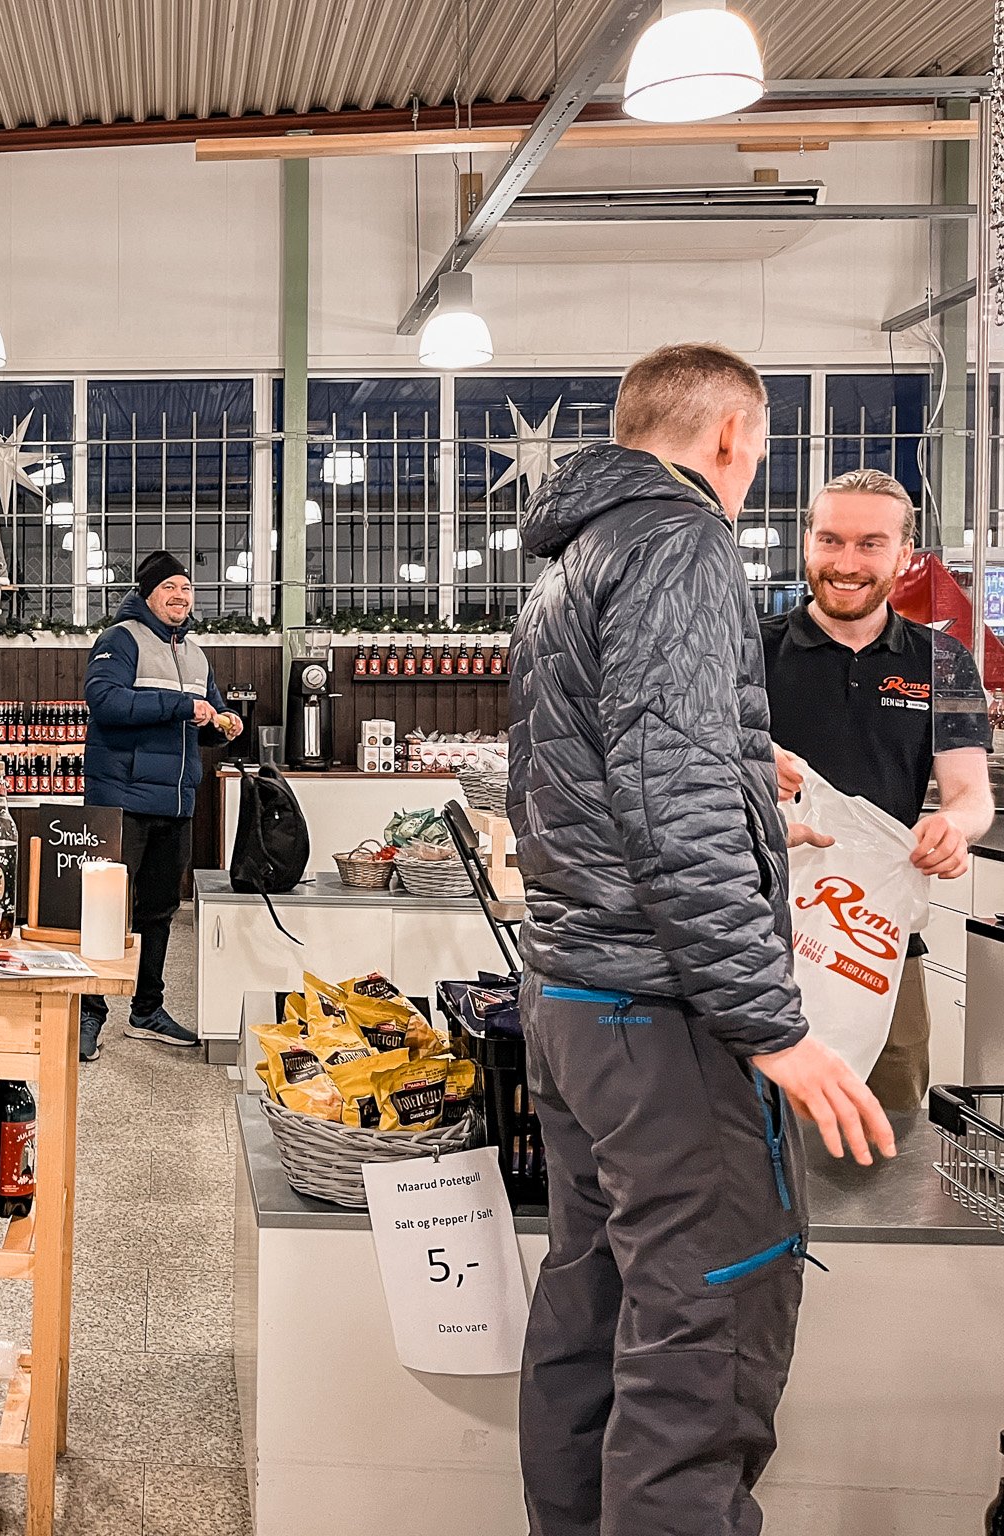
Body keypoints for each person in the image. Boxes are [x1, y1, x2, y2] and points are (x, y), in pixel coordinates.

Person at [507, 343, 897, 1535]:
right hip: (658, 1010)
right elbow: (669, 805)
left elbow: (607, 760)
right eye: (761, 454)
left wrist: (740, 761)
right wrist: (769, 1026)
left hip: (575, 1000)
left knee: (594, 1308)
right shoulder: (679, 543)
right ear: (727, 438)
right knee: (703, 1332)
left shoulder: (577, 554)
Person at [763, 468, 996, 1112]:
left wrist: (956, 827)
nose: (846, 563)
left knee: (884, 1138)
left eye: (870, 544)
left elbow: (971, 793)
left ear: (905, 556)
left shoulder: (941, 662)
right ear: (806, 542)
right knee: (743, 1139)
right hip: (755, 940)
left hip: (880, 946)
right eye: (830, 540)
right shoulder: (747, 651)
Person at [81, 550, 240, 1061]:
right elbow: (104, 701)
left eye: (188, 588)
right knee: (107, 911)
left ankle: (147, 1011)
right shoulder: (120, 639)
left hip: (176, 802)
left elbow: (205, 713)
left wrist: (221, 724)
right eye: (170, 586)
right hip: (122, 800)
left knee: (159, 912)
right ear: (149, 593)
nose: (181, 596)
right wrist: (179, 706)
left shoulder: (196, 654)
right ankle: (89, 1013)